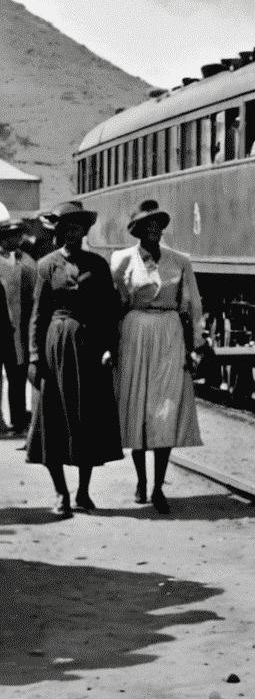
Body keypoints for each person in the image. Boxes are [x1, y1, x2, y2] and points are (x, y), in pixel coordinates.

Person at [25, 202, 122, 515]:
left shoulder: (98, 264)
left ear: (84, 231)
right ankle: (60, 494)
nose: (72, 233)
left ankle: (83, 492)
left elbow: (109, 311)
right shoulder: (47, 265)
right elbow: (37, 316)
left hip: (90, 347)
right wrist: (35, 356)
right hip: (56, 345)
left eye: (77, 228)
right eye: (67, 228)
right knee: (51, 417)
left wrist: (109, 347)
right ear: (59, 231)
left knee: (86, 417)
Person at [111, 200, 203, 512]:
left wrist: (196, 346)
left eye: (158, 225)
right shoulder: (122, 260)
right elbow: (113, 304)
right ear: (137, 231)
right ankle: (140, 480)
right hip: (134, 334)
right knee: (138, 407)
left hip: (169, 334)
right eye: (148, 226)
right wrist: (110, 344)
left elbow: (192, 304)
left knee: (165, 408)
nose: (155, 231)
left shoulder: (180, 261)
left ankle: (158, 487)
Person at [0, 209, 36, 436]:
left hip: (18, 330)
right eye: (10, 235)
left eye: (17, 235)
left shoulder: (26, 261)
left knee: (17, 376)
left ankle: (19, 421)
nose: (15, 239)